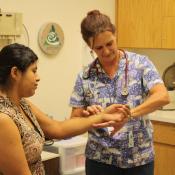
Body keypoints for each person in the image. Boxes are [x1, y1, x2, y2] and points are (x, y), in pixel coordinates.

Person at [0, 43, 131, 175]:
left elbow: (58, 128)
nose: (38, 77)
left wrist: (102, 116)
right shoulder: (4, 119)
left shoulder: (22, 104)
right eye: (33, 71)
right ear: (15, 73)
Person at [69, 10, 170, 175]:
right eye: (99, 48)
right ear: (90, 46)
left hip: (139, 159)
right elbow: (74, 121)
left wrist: (128, 115)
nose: (107, 51)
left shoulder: (140, 64)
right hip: (100, 161)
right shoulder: (85, 76)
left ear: (115, 35)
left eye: (110, 44)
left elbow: (162, 96)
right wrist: (90, 115)